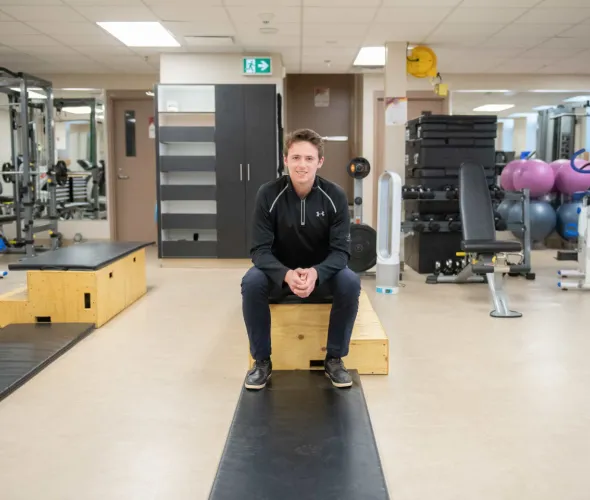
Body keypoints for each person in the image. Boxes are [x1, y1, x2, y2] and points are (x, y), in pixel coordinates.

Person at [241, 128, 361, 390]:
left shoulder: (335, 195)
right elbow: (259, 250)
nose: (302, 165)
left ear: (320, 162)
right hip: (279, 276)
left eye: (309, 159)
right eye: (295, 158)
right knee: (251, 281)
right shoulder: (268, 194)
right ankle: (261, 362)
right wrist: (286, 274)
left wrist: (316, 273)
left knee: (350, 281)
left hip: (322, 277)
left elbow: (341, 252)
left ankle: (334, 358)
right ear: (285, 161)